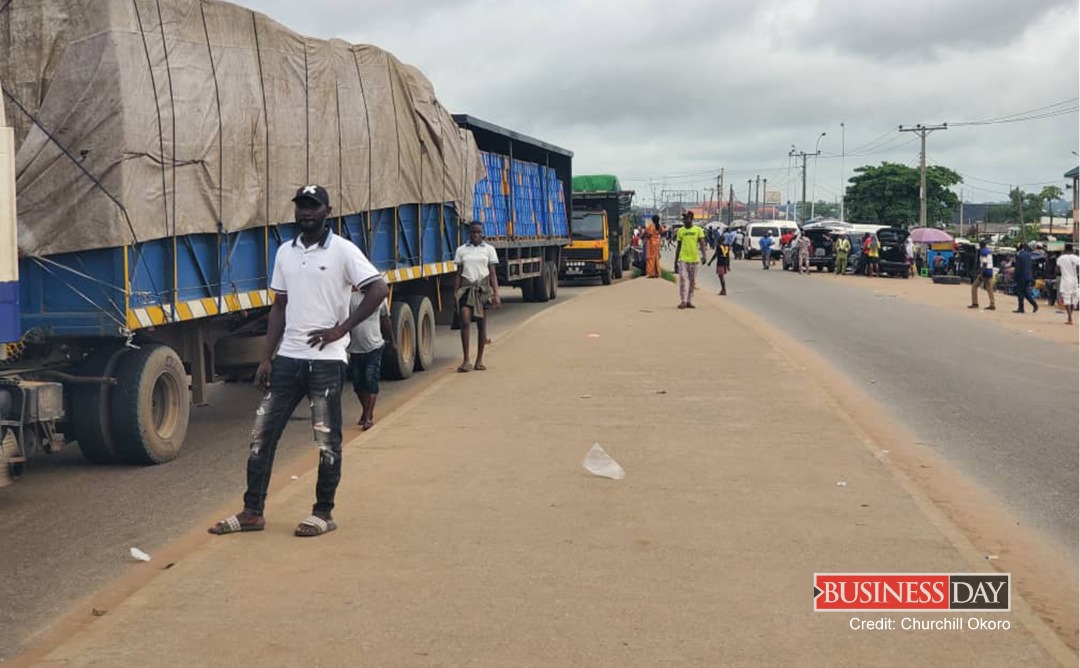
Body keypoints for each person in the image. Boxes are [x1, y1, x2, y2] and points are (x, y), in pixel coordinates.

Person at [209, 185, 389, 538]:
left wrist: (342, 329)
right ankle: (252, 512)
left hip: (326, 362)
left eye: (313, 207)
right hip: (288, 359)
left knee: (326, 439)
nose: (305, 213)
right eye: (301, 207)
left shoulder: (342, 250)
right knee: (262, 435)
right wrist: (266, 357)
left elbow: (379, 288)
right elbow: (279, 306)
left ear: (327, 211)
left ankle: (323, 512)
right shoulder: (285, 253)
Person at [454, 222, 502, 371]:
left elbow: (492, 273)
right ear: (469, 234)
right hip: (466, 289)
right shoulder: (461, 250)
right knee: (465, 321)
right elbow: (458, 273)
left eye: (478, 232)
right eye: (472, 232)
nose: (475, 235)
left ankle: (479, 360)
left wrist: (496, 293)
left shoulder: (489, 250)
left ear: (482, 234)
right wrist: (455, 293)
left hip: (483, 290)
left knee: (482, 325)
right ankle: (466, 359)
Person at [347, 286, 395, 430]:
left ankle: (368, 416)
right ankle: (366, 410)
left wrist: (392, 341)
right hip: (355, 348)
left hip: (374, 346)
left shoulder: (380, 298)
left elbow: (385, 320)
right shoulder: (351, 298)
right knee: (357, 383)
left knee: (370, 379)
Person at [674, 211, 706, 309]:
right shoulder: (680, 231)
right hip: (683, 258)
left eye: (686, 218)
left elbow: (702, 243)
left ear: (692, 219)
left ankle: (689, 301)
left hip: (694, 259)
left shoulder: (698, 230)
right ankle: (683, 300)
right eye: (683, 219)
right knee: (683, 279)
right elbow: (678, 246)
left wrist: (704, 255)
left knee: (692, 281)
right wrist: (675, 260)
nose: (684, 220)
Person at [968, 240, 996, 311]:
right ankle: (992, 304)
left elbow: (984, 263)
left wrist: (981, 273)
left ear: (981, 246)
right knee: (989, 288)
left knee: (974, 286)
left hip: (985, 271)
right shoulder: (989, 251)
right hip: (990, 270)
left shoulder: (983, 252)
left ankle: (975, 303)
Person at [1055, 244, 1079, 325]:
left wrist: (1064, 270)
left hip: (1066, 279)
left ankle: (1069, 317)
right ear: (1072, 249)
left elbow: (1057, 270)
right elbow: (1078, 268)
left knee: (1066, 298)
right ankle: (1070, 316)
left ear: (1065, 250)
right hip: (1074, 279)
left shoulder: (1061, 258)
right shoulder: (1076, 258)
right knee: (1072, 298)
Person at [1013, 243, 1038, 314]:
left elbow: (1018, 268)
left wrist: (1015, 277)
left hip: (1021, 277)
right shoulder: (1028, 255)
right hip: (1028, 276)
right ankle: (1034, 305)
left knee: (1020, 292)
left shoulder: (1019, 255)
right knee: (1025, 292)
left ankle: (1021, 308)